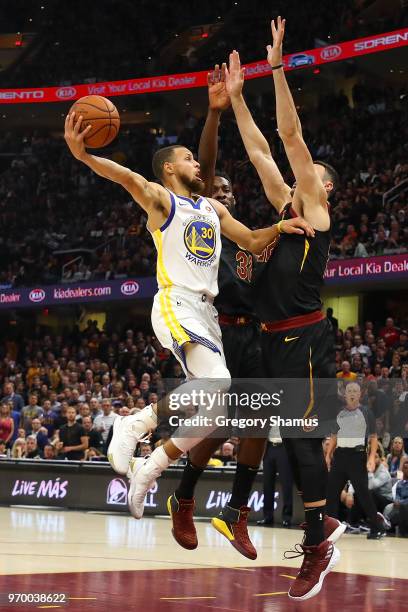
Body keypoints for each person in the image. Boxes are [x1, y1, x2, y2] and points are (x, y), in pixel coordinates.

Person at [64, 89, 313, 519]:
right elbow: (128, 178)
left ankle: (151, 466)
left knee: (217, 401)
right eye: (189, 159)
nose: (198, 164)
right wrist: (85, 157)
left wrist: (282, 225)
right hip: (176, 303)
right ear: (169, 168)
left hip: (207, 314)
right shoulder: (163, 201)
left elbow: (252, 240)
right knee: (218, 385)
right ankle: (136, 424)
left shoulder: (212, 208)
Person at [224, 17, 343, 599]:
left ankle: (319, 538)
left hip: (304, 338)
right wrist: (239, 100)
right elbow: (258, 149)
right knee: (277, 438)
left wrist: (274, 70)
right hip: (270, 338)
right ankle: (297, 523)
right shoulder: (282, 207)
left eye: (311, 176)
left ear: (323, 189)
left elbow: (290, 140)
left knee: (299, 440)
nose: (300, 176)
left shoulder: (316, 216)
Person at [166, 65, 269, 561]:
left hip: (255, 338)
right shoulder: (200, 220)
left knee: (261, 426)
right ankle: (184, 497)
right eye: (215, 190)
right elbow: (203, 169)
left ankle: (236, 512)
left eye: (229, 193)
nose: (222, 195)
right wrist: (214, 113)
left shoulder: (245, 239)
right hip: (216, 332)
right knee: (216, 426)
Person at [326, 382, 389, 539]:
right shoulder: (339, 413)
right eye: (349, 391)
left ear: (360, 394)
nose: (352, 393)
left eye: (355, 390)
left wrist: (371, 458)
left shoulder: (366, 412)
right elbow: (334, 436)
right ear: (345, 394)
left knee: (363, 494)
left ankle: (377, 527)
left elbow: (374, 437)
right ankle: (330, 529)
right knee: (331, 493)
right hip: (340, 456)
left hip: (357, 456)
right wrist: (328, 454)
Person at [257, 424, 293, 527]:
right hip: (269, 448)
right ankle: (267, 517)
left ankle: (287, 517)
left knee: (286, 485)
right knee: (267, 485)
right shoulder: (269, 412)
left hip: (284, 448)